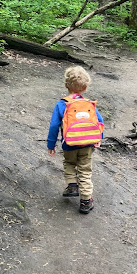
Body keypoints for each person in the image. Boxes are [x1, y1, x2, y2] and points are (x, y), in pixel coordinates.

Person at [47, 66, 104, 214]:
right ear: (85, 88)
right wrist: (99, 138)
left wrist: (51, 144)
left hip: (69, 144)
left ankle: (72, 186)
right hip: (87, 144)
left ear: (66, 85)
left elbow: (54, 126)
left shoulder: (62, 104)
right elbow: (100, 121)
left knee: (69, 163)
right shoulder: (89, 104)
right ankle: (85, 201)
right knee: (85, 170)